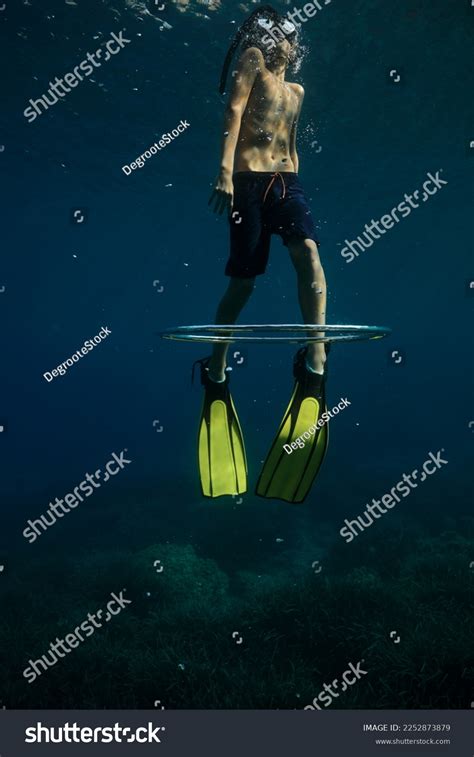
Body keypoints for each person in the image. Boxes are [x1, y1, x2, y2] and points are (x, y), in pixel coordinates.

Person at [196, 6, 329, 503]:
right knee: (244, 281)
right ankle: (215, 369)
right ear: (271, 40)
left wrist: (292, 184)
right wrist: (225, 172)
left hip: (287, 183)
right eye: (284, 38)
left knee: (309, 255)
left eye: (294, 41)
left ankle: (315, 356)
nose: (290, 47)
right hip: (248, 183)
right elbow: (233, 110)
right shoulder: (252, 58)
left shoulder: (298, 91)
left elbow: (291, 142)